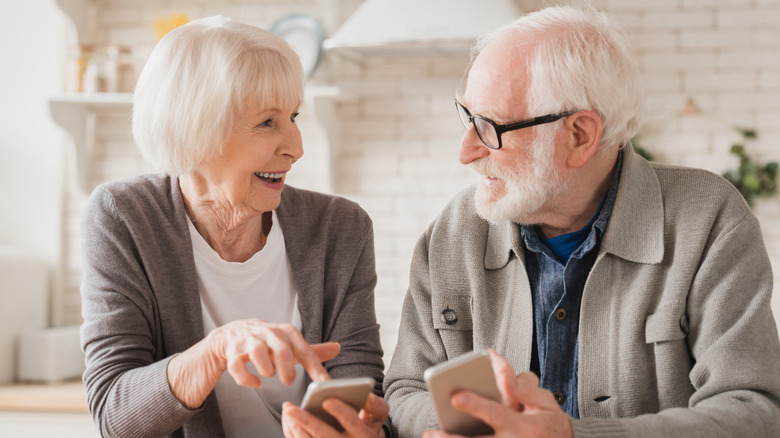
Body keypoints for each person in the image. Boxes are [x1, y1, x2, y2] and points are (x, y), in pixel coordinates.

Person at [383, 5, 780, 438]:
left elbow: (753, 409)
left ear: (579, 136)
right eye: (467, 117)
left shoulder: (708, 218)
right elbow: (405, 390)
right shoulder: (453, 232)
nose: (466, 151)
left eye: (490, 126)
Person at [80, 16, 388, 438]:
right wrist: (217, 349)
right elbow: (116, 416)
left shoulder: (340, 228)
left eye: (294, 116)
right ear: (194, 130)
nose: (296, 147)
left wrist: (364, 428)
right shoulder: (125, 217)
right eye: (267, 122)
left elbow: (364, 392)